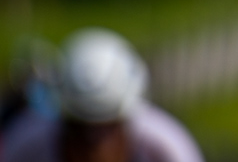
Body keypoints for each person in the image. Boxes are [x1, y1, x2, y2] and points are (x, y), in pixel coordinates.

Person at [0, 29, 203, 162]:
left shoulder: (166, 149)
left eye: (106, 128)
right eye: (80, 129)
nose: (92, 145)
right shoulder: (25, 144)